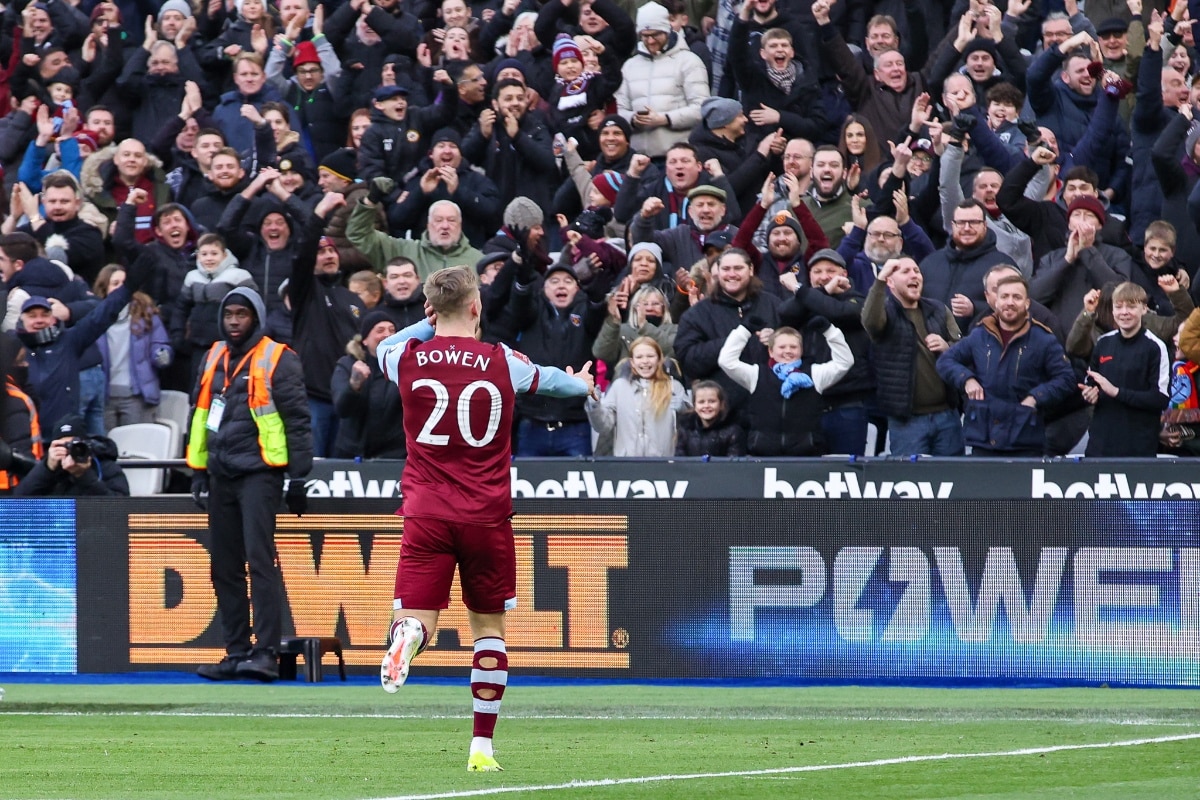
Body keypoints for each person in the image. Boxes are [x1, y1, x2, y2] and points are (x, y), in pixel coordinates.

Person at [376, 265, 595, 772]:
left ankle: (408, 637)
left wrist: (424, 323)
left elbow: (386, 345)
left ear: (432, 309)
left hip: (426, 510)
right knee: (488, 630)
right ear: (476, 307)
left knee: (415, 617)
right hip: (486, 515)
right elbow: (556, 384)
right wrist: (583, 383)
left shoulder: (405, 356)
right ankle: (481, 748)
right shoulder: (502, 360)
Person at [187, 287, 313, 683]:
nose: (235, 322)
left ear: (256, 318)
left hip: (261, 472)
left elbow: (297, 421)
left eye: (242, 315)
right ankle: (236, 652)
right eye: (229, 316)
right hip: (222, 472)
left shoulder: (279, 357)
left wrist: (299, 477)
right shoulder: (212, 356)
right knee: (223, 566)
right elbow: (201, 412)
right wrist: (198, 469)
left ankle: (266, 654)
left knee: (260, 563)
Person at [936, 273, 1076, 457]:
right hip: (983, 438)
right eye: (1004, 296)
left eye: (1016, 297)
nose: (1010, 302)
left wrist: (1036, 397)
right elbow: (945, 361)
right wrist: (966, 379)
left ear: (1027, 303)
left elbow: (1066, 379)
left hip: (1024, 438)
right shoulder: (979, 335)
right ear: (996, 301)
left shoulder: (1044, 340)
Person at [862, 257, 964, 457]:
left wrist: (947, 347)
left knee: (954, 480)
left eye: (916, 271)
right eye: (905, 271)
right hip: (907, 421)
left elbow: (963, 349)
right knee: (911, 483)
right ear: (891, 282)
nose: (914, 275)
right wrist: (880, 279)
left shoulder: (938, 309)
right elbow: (870, 322)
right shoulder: (885, 312)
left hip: (947, 416)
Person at [718, 318, 853, 456]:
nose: (788, 351)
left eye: (793, 347)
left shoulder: (815, 374)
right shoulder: (756, 374)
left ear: (801, 350)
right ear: (770, 352)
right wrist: (744, 330)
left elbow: (844, 362)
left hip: (807, 456)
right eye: (782, 347)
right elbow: (726, 361)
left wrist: (830, 331)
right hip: (763, 455)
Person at [1079, 282, 1170, 456]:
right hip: (1100, 445)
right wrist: (1090, 394)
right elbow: (1092, 382)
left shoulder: (1155, 347)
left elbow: (1160, 398)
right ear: (1112, 311)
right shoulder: (1103, 343)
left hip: (1138, 447)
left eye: (1131, 306)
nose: (1124, 312)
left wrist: (1117, 392)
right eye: (1119, 307)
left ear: (1144, 309)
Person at [586, 336, 690, 456]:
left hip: (663, 465)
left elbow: (692, 424)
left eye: (650, 356)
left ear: (659, 359)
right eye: (639, 357)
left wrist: (684, 409)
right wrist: (594, 406)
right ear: (632, 362)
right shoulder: (619, 386)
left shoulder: (674, 386)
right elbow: (603, 426)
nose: (645, 361)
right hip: (627, 467)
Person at [13, 413, 128, 496]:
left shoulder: (105, 466)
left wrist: (84, 476)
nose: (70, 451)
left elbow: (119, 510)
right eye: (63, 446)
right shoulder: (48, 468)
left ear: (86, 444)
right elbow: (16, 504)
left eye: (74, 445)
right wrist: (46, 469)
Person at [674, 379, 746, 456]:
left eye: (712, 401)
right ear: (694, 405)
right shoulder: (686, 428)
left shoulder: (733, 432)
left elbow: (734, 465)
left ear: (721, 404)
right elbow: (680, 462)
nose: (706, 406)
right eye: (701, 402)